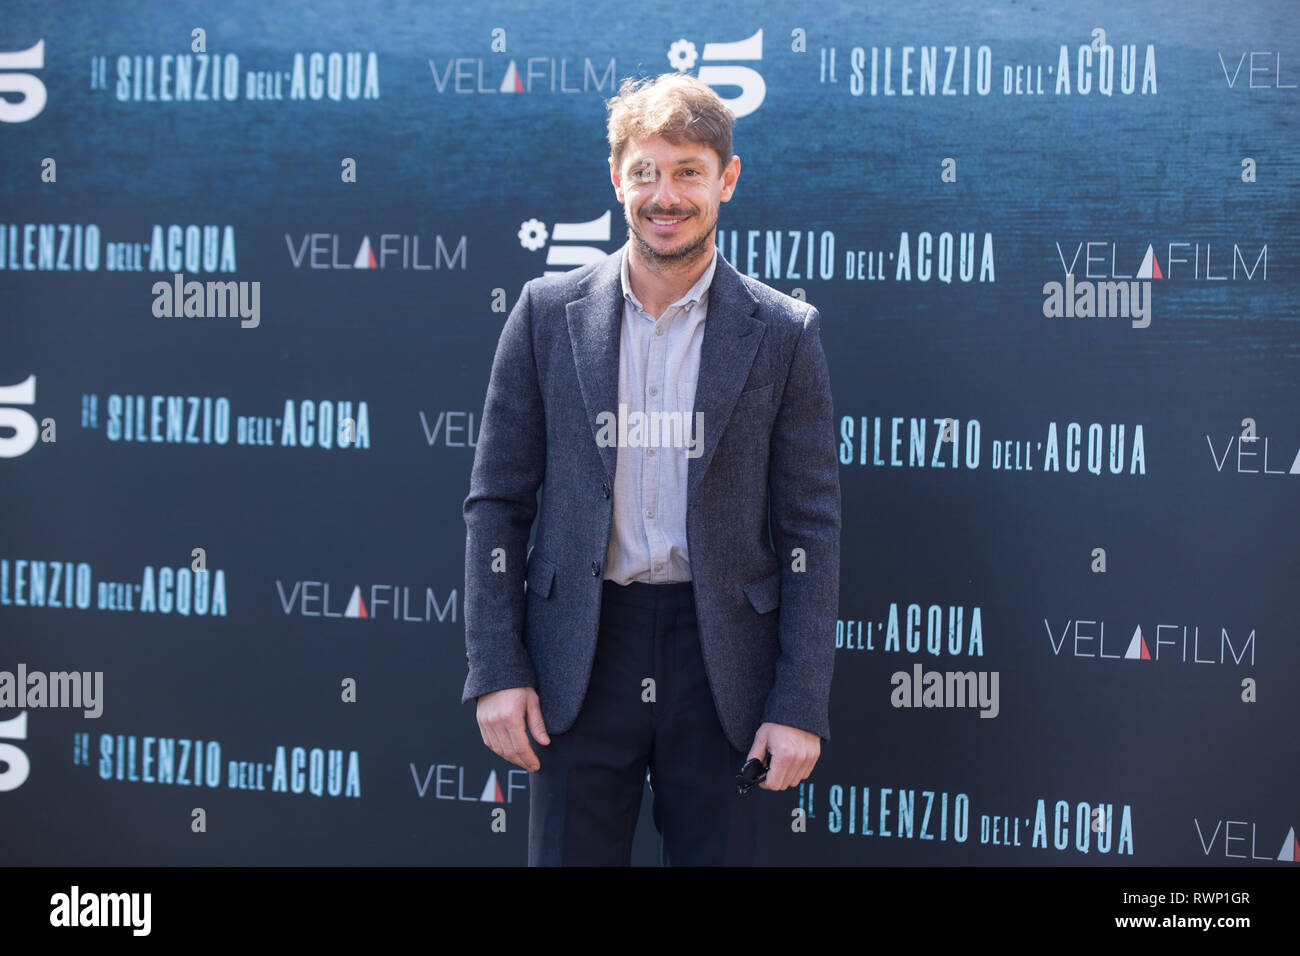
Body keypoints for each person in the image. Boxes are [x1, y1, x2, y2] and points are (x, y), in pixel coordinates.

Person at [462, 72, 840, 866]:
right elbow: (497, 504)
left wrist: (799, 701)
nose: (665, 195)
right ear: (617, 178)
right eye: (646, 172)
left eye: (688, 172)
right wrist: (497, 668)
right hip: (580, 655)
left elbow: (811, 528)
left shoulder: (784, 333)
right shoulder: (543, 315)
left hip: (722, 662)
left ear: (726, 181)